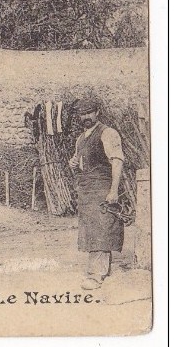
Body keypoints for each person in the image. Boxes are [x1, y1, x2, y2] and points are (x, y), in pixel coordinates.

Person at [68, 99, 125, 290]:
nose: (86, 117)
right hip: (87, 190)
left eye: (89, 112)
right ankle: (101, 270)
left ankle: (96, 275)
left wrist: (113, 190)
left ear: (97, 112)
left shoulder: (108, 133)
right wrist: (74, 164)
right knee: (91, 230)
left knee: (102, 229)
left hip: (102, 187)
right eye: (82, 114)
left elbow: (117, 162)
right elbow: (79, 163)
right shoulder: (81, 138)